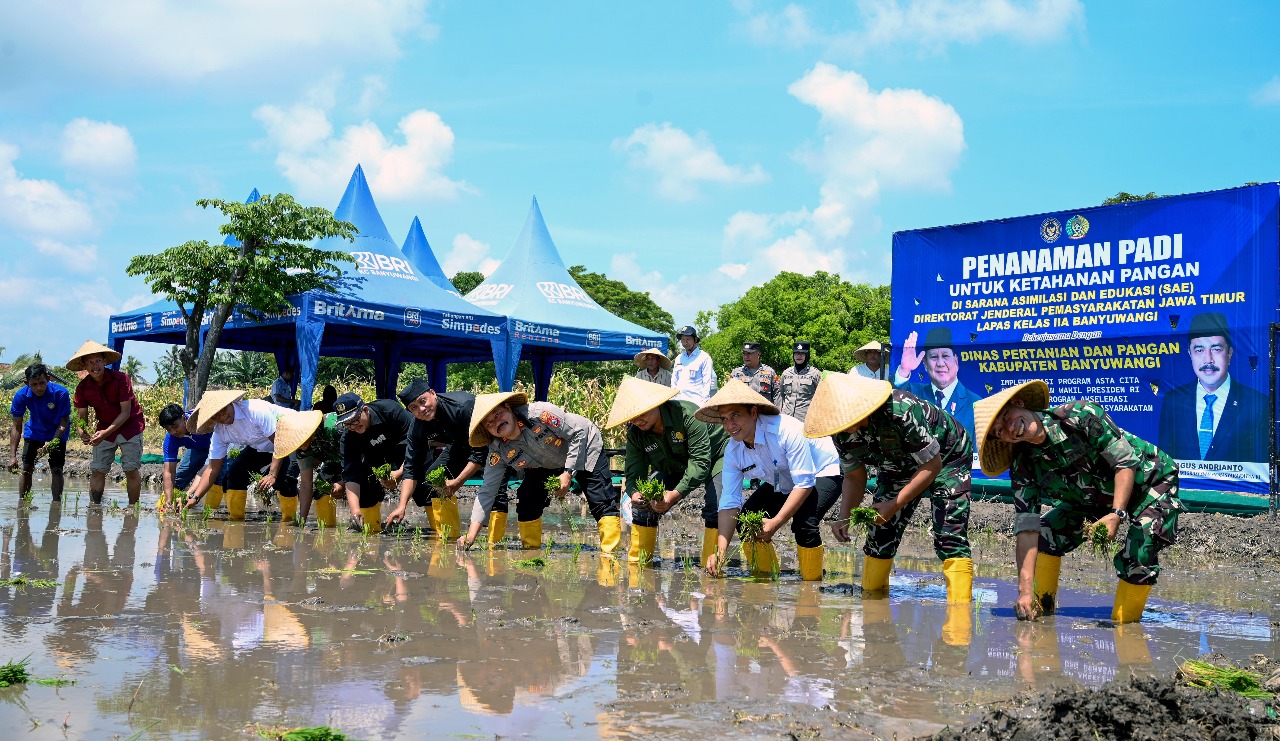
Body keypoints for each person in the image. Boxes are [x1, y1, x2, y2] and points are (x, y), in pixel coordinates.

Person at [975, 381, 1183, 624]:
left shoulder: (1079, 416)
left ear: (1019, 403)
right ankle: (1041, 611)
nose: (1009, 428)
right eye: (1000, 431)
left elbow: (1125, 463)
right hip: (1092, 501)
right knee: (1044, 536)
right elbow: (1027, 527)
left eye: (1006, 416)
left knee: (1140, 548)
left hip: (1149, 482)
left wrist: (1116, 513)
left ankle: (1126, 629)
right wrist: (1024, 592)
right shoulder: (1024, 466)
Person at [803, 372, 974, 603]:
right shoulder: (842, 434)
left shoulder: (900, 410)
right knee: (879, 532)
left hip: (946, 458)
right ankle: (872, 605)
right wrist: (844, 516)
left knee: (948, 533)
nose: (842, 425)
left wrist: (895, 504)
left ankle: (960, 616)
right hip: (897, 465)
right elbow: (854, 476)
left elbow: (932, 464)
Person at [696, 379, 842, 580]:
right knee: (748, 520)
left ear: (754, 413)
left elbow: (804, 484)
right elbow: (729, 501)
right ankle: (766, 578)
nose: (730, 425)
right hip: (782, 477)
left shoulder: (785, 430)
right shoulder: (733, 449)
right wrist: (721, 551)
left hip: (822, 470)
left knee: (804, 523)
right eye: (724, 419)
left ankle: (812, 585)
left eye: (735, 415)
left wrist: (776, 522)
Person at [460, 391, 621, 553]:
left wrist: (568, 473)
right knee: (527, 500)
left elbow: (578, 433)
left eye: (497, 414)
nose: (497, 422)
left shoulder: (540, 414)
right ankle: (530, 552)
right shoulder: (498, 451)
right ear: (488, 431)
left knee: (600, 499)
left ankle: (610, 556)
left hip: (584, 446)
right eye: (489, 423)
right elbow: (487, 491)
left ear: (508, 407)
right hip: (545, 463)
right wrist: (471, 535)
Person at [604, 377, 729, 567]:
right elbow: (634, 475)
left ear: (657, 404)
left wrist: (674, 495)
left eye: (641, 413)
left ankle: (711, 568)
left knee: (716, 507)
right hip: (673, 466)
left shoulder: (688, 415)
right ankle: (639, 570)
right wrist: (635, 493)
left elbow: (700, 462)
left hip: (714, 456)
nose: (637, 420)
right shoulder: (636, 434)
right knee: (643, 508)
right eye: (632, 417)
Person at [384, 379, 488, 541]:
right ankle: (449, 537)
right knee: (433, 478)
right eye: (414, 408)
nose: (421, 409)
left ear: (433, 393)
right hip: (459, 444)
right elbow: (411, 467)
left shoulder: (462, 406)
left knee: (497, 493)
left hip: (492, 442)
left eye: (423, 401)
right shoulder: (417, 427)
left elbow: (480, 453)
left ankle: (494, 544)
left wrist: (458, 482)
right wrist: (402, 505)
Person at [1158, 312, 1268, 463]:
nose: (1208, 359)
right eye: (1199, 350)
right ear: (1190, 354)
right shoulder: (1173, 400)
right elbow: (1165, 463)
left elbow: (1262, 470)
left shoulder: (1257, 405)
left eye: (1216, 349)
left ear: (1229, 353)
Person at [182, 389, 295, 520]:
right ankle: (236, 523)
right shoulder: (220, 432)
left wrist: (272, 474)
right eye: (215, 416)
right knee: (234, 475)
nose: (222, 417)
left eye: (223, 410)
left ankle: (289, 523)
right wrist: (195, 498)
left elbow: (279, 443)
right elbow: (212, 469)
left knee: (286, 480)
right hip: (262, 446)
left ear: (230, 403)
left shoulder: (254, 410)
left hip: (292, 439)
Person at [67, 340, 146, 505]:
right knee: (97, 469)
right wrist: (83, 433)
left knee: (131, 469)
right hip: (104, 426)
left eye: (97, 361)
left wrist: (104, 434)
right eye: (89, 362)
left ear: (104, 361)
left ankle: (133, 508)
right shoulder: (82, 388)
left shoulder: (121, 379)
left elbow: (125, 413)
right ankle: (95, 508)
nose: (94, 365)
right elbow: (81, 418)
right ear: (84, 366)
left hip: (130, 426)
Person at [333, 392, 415, 535]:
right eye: (347, 424)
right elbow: (351, 474)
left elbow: (416, 445)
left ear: (365, 410)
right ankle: (372, 533)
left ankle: (441, 534)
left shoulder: (390, 411)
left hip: (404, 452)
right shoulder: (348, 437)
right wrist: (355, 510)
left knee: (424, 484)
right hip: (375, 459)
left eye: (354, 420)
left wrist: (401, 473)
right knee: (364, 487)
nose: (352, 426)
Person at [892, 326, 983, 442]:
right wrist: (904, 370)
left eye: (945, 356)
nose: (940, 363)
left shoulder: (975, 404)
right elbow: (893, 406)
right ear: (925, 363)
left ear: (956, 361)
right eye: (934, 357)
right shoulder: (913, 394)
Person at [8, 364, 70, 501]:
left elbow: (64, 422)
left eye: (42, 383)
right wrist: (12, 456)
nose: (39, 388)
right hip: (35, 431)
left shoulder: (61, 393)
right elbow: (17, 426)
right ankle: (22, 504)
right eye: (34, 384)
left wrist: (52, 443)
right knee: (26, 468)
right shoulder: (21, 395)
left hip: (58, 432)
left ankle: (56, 505)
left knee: (57, 470)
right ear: (27, 383)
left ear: (48, 379)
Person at [271, 410, 341, 528]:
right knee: (321, 491)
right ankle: (328, 533)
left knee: (368, 492)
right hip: (334, 463)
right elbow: (306, 483)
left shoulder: (334, 426)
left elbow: (361, 459)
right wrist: (302, 520)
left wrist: (344, 483)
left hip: (364, 460)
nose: (299, 446)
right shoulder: (302, 449)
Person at [157, 404, 213, 511]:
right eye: (169, 429)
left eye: (175, 427)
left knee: (217, 474)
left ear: (183, 418)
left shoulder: (202, 421)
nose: (173, 432)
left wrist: (190, 494)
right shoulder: (170, 439)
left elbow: (207, 468)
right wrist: (168, 500)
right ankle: (171, 505)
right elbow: (169, 472)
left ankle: (212, 510)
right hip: (198, 448)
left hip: (220, 445)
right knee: (181, 475)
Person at [671, 325, 716, 405]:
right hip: (679, 403)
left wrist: (703, 404)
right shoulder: (679, 358)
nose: (685, 343)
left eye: (688, 339)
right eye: (683, 340)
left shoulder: (704, 357)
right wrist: (672, 400)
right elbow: (674, 381)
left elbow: (707, 383)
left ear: (695, 339)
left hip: (696, 404)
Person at [778, 341, 821, 422]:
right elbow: (782, 395)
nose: (799, 355)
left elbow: (820, 398)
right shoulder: (786, 373)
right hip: (786, 419)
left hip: (805, 420)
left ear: (807, 355)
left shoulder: (815, 374)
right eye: (796, 353)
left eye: (802, 353)